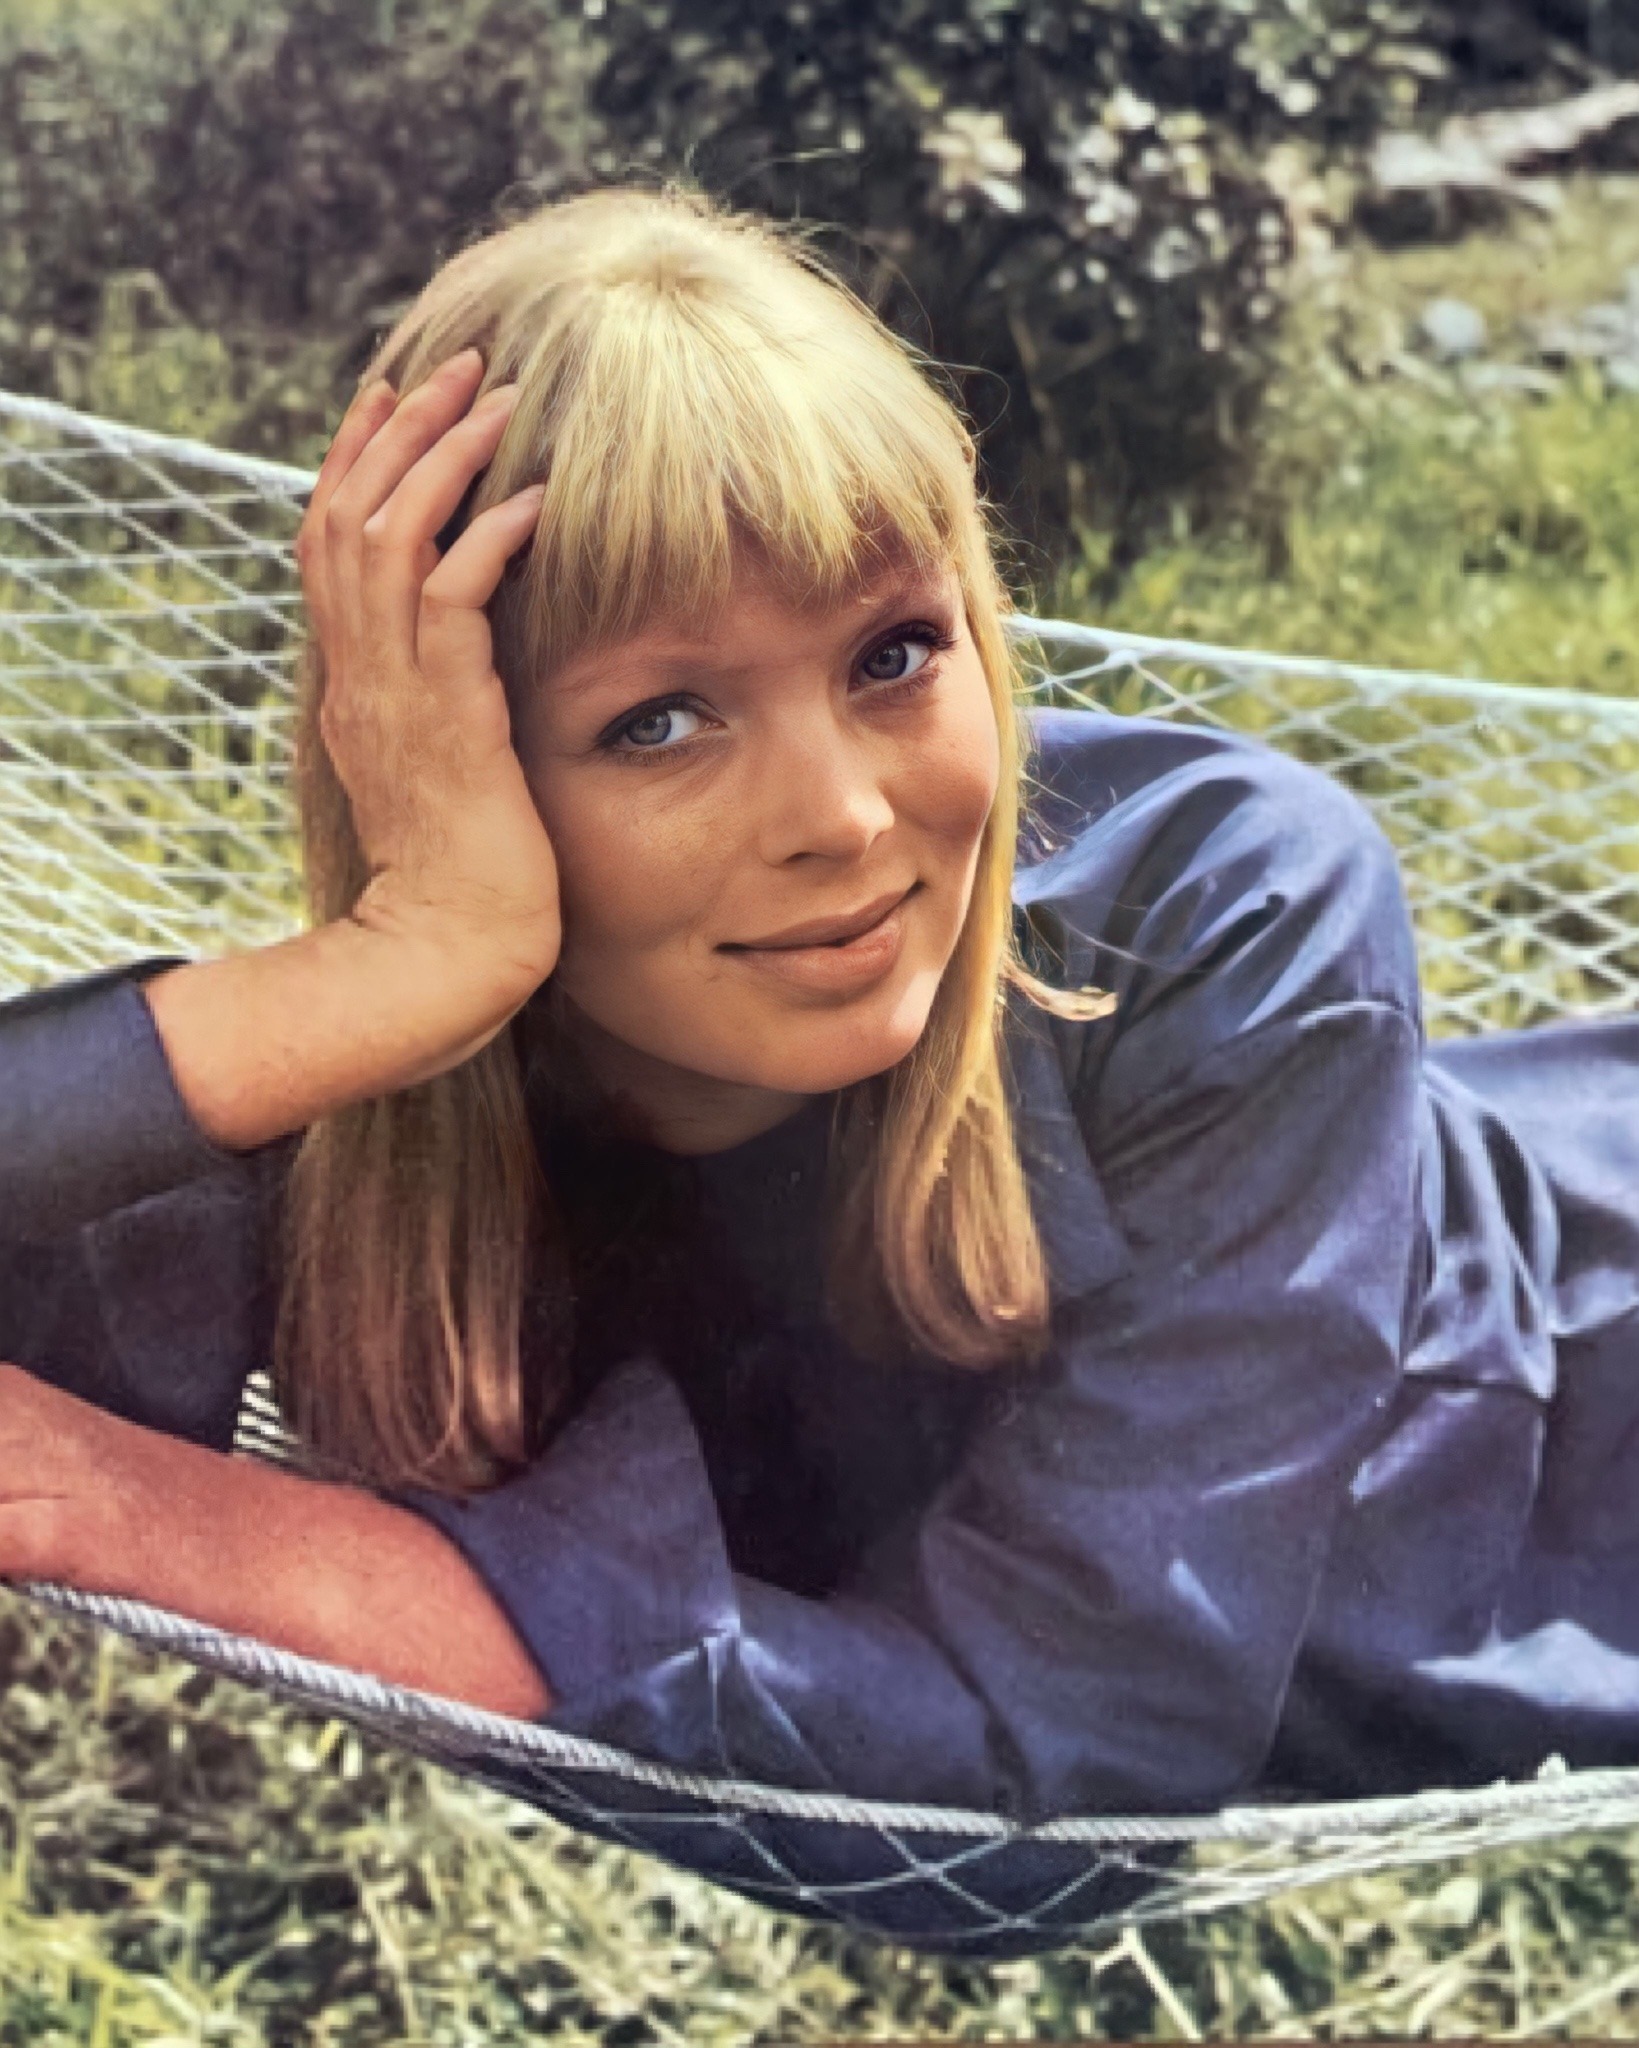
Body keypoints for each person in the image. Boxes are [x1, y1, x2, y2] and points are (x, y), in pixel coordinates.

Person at [4, 181, 1639, 1835]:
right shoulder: (385, 1096)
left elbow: (1061, 1765)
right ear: (447, 761)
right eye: (659, 721)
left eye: (895, 653)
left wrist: (167, 1526)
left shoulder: (1225, 913)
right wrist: (396, 962)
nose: (845, 818)